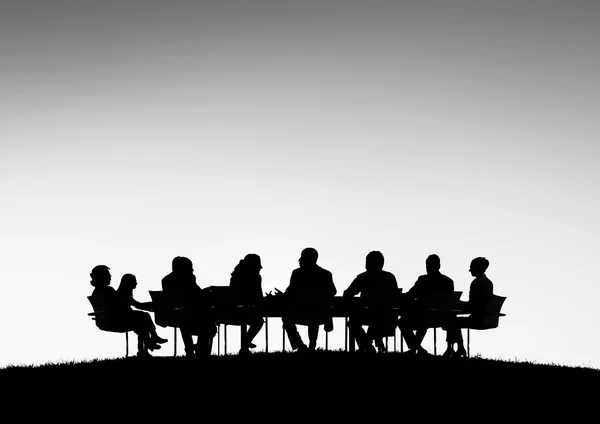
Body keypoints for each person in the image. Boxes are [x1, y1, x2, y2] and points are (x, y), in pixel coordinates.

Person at [89, 265, 167, 357]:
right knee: (143, 317)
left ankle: (144, 349)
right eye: (108, 275)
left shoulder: (100, 291)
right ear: (101, 277)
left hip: (113, 319)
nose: (110, 277)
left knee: (141, 323)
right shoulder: (106, 291)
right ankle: (150, 340)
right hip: (115, 321)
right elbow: (117, 305)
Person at [397, 254, 454, 356]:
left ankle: (415, 348)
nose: (427, 268)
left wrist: (399, 296)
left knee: (402, 322)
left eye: (428, 266)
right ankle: (417, 348)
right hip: (443, 317)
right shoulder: (448, 282)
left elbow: (410, 295)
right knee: (420, 321)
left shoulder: (423, 280)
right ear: (439, 266)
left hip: (423, 316)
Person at [282, 247, 337, 351]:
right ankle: (311, 346)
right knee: (313, 318)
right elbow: (332, 291)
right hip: (320, 314)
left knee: (286, 318)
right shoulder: (325, 274)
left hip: (300, 312)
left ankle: (300, 346)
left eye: (302, 257)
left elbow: (289, 293)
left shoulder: (297, 274)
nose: (299, 260)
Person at [343, 251, 399, 354]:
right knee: (373, 322)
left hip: (368, 315)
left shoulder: (363, 277)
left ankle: (367, 347)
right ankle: (368, 345)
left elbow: (348, 293)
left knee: (353, 323)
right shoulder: (390, 277)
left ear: (368, 263)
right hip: (387, 316)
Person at [161, 256, 216, 358]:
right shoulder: (189, 279)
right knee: (207, 321)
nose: (192, 270)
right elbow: (196, 295)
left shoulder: (166, 280)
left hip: (175, 315)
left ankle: (192, 349)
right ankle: (201, 350)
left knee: (191, 320)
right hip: (190, 315)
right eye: (190, 268)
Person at [443, 257, 494, 357]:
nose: (470, 269)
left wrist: (457, 302)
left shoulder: (476, 283)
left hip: (477, 318)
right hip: (485, 317)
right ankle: (458, 348)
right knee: (453, 320)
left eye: (472, 267)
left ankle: (453, 348)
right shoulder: (488, 283)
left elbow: (472, 306)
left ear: (478, 268)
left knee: (451, 320)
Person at [114, 273, 168, 357]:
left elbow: (137, 305)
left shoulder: (123, 293)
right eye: (134, 281)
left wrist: (150, 306)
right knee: (145, 316)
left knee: (143, 329)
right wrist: (152, 306)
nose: (136, 283)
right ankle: (152, 337)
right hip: (124, 318)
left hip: (125, 317)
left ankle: (143, 350)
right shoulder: (123, 294)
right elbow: (137, 305)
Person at [229, 253, 265, 354]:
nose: (259, 270)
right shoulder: (256, 277)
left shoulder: (236, 276)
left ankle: (245, 345)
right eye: (258, 267)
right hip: (244, 312)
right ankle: (246, 343)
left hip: (231, 311)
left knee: (256, 320)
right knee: (259, 321)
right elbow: (258, 296)